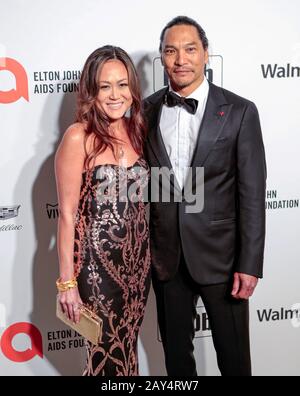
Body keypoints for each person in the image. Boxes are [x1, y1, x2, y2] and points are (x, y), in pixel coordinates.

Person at [143, 16, 266, 376]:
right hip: (167, 258)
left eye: (190, 49)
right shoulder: (145, 111)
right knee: (177, 364)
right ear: (162, 58)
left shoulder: (240, 111)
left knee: (235, 360)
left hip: (223, 260)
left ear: (206, 55)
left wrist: (250, 263)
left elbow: (253, 193)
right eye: (171, 50)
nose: (180, 59)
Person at [55, 45, 151, 376]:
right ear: (91, 92)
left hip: (138, 267)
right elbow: (67, 214)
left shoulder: (138, 131)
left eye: (122, 84)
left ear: (133, 89)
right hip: (96, 270)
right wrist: (67, 284)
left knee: (128, 350)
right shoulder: (77, 137)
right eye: (104, 86)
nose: (115, 95)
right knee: (104, 356)